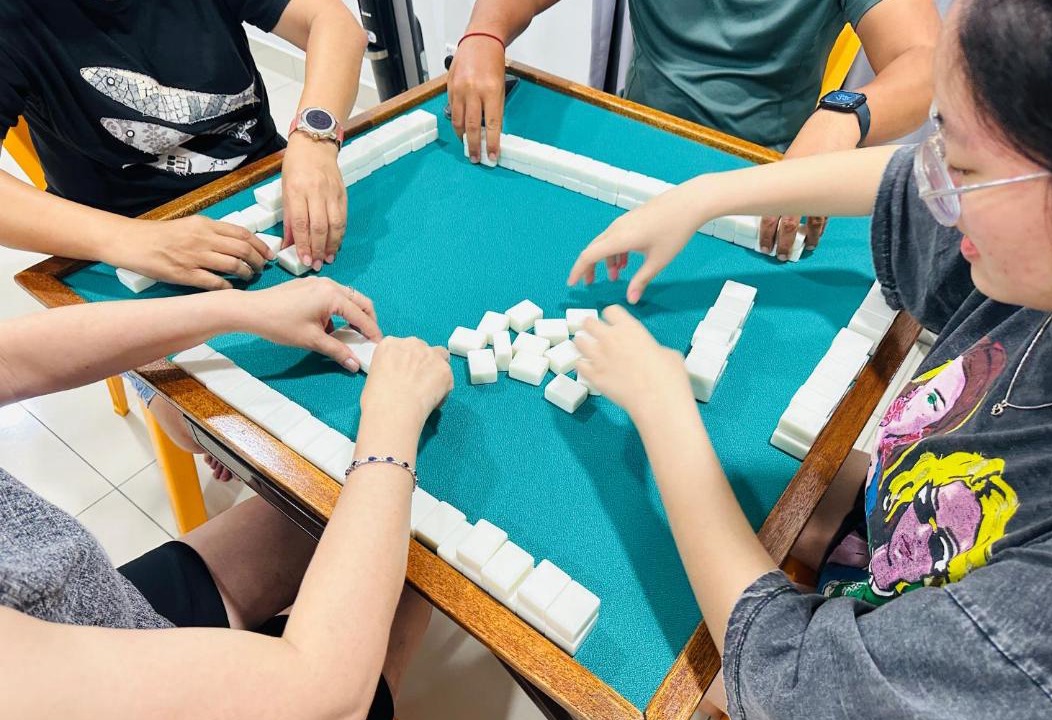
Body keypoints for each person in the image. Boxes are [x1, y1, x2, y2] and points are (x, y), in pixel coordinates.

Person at [566, 0, 1052, 715]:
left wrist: (661, 405)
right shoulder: (1045, 269)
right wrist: (707, 195)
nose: (937, 187)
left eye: (960, 164)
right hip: (872, 559)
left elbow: (790, 681)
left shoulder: (1050, 627)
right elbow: (902, 179)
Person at [0, 276, 455, 720]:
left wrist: (243, 309)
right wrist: (394, 416)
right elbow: (324, 695)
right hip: (87, 675)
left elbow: (10, 361)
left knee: (338, 513)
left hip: (96, 610)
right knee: (415, 563)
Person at [449, 0, 941, 261]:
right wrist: (485, 30)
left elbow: (924, 60)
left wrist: (842, 116)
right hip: (635, 141)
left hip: (763, 179)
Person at [0, 0, 366, 282]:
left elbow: (333, 23)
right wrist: (128, 238)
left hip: (264, 181)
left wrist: (313, 140)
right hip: (129, 239)